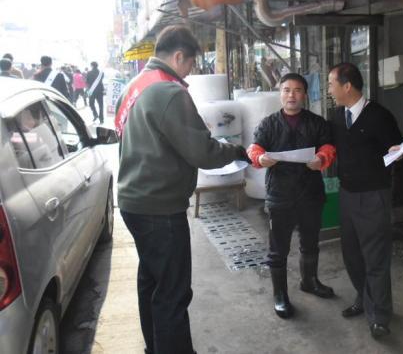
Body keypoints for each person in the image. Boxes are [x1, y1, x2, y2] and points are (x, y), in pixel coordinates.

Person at [116, 24, 250, 354]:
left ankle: (154, 348)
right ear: (178, 56)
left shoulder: (135, 86)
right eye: (190, 63)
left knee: (152, 282)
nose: (190, 70)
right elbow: (202, 152)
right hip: (160, 208)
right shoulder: (169, 92)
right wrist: (235, 151)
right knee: (173, 294)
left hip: (134, 202)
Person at [247, 73, 337, 319]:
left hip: (310, 194)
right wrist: (260, 158)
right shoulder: (268, 124)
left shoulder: (317, 123)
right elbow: (254, 148)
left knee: (310, 242)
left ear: (305, 95)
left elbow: (328, 147)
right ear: (280, 94)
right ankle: (280, 295)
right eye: (286, 90)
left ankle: (310, 281)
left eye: (297, 90)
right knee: (278, 249)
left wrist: (321, 158)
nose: (291, 95)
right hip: (280, 195)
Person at [327, 62, 403, 340]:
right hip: (347, 195)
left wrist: (397, 152)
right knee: (352, 255)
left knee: (376, 258)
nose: (329, 90)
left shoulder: (379, 116)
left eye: (331, 84)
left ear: (347, 86)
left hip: (374, 196)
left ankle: (380, 317)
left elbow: (396, 149)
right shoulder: (336, 116)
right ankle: (364, 298)